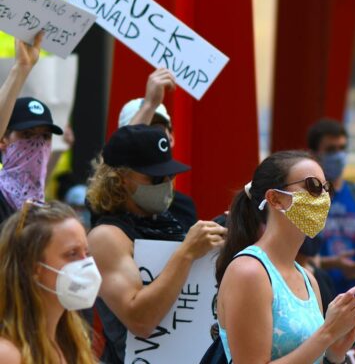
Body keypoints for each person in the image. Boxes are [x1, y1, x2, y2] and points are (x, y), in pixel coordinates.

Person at [87, 124, 226, 364]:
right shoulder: (107, 236)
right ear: (120, 178)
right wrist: (186, 253)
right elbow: (140, 321)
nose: (167, 182)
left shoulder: (170, 222)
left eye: (170, 175)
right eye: (155, 177)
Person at [215, 150, 355, 363]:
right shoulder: (249, 272)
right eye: (313, 186)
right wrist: (327, 334)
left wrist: (335, 354)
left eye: (327, 188)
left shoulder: (308, 279)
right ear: (275, 199)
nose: (323, 198)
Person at [0, 200, 100, 363]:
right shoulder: (8, 354)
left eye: (86, 253)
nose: (86, 264)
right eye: (72, 254)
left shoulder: (73, 341)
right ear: (34, 269)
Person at [116, 67, 197, 232]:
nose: (149, 136)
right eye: (143, 127)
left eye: (157, 128)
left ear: (171, 137)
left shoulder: (184, 206)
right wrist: (149, 105)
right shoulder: (109, 204)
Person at [307, 119, 355, 295]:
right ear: (314, 154)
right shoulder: (306, 197)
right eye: (331, 150)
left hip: (354, 297)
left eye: (342, 148)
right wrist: (332, 262)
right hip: (315, 294)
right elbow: (294, 255)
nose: (339, 155)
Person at [0, 33, 65, 225]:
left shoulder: (48, 217)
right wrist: (21, 68)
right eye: (27, 135)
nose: (37, 144)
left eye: (45, 136)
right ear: (3, 140)